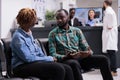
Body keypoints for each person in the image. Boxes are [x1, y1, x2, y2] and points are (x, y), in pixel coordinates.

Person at [10, 8, 75, 80]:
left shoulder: (29, 33)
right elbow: (28, 58)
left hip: (32, 63)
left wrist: (47, 59)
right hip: (21, 67)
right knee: (58, 69)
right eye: (34, 19)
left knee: (67, 68)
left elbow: (38, 52)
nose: (35, 21)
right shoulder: (18, 37)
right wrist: (49, 59)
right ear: (27, 21)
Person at [48, 9, 113, 80]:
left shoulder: (77, 31)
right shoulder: (53, 34)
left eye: (62, 17)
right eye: (57, 18)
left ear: (68, 17)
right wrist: (65, 57)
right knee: (74, 63)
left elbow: (87, 48)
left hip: (80, 58)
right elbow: (53, 54)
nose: (59, 20)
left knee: (104, 59)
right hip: (66, 60)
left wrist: (86, 53)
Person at [102, 0, 118, 76]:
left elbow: (109, 26)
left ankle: (114, 71)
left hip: (110, 35)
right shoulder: (109, 11)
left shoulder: (109, 12)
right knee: (111, 52)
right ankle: (112, 69)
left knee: (112, 52)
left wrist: (107, 26)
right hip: (110, 35)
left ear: (105, 3)